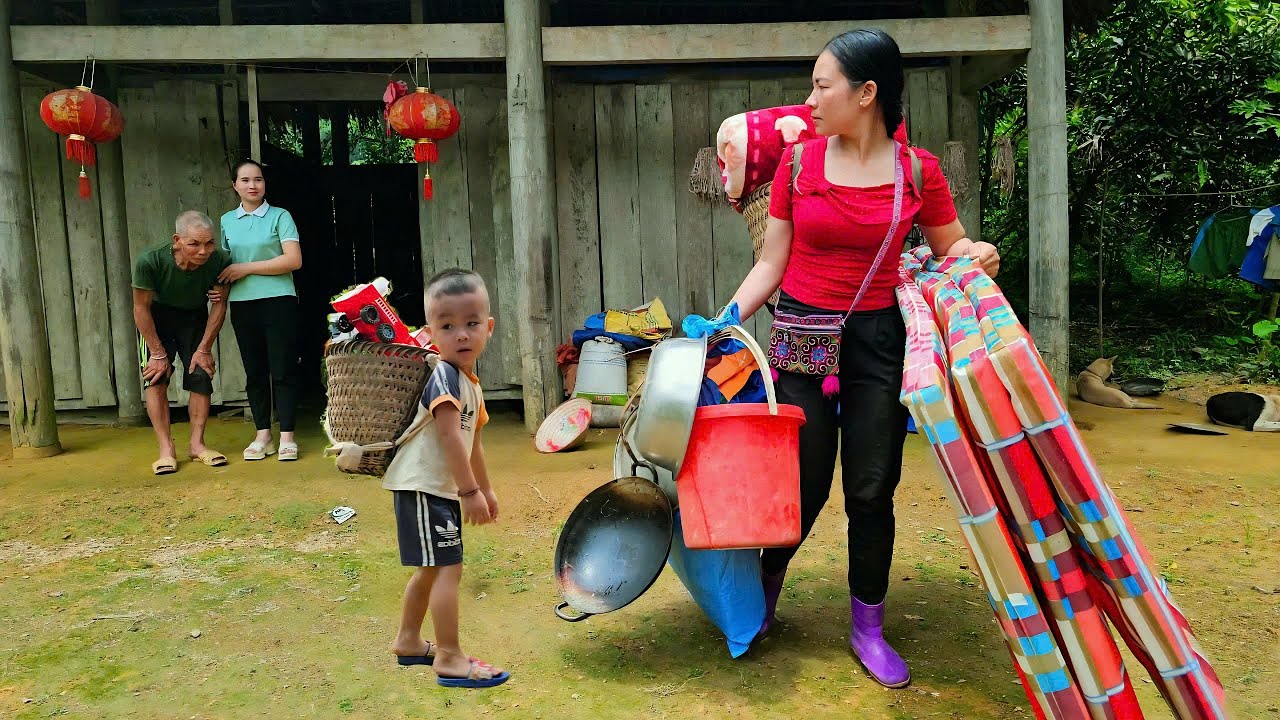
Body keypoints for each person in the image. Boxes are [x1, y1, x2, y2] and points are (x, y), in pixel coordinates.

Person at [724, 29, 1001, 688]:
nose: (811, 99)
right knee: (802, 486)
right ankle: (762, 599)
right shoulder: (797, 166)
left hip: (879, 344)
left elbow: (950, 245)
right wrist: (727, 318)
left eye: (823, 85)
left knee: (872, 489)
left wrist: (981, 253)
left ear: (867, 92)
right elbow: (772, 260)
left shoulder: (916, 171)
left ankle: (867, 627)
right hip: (801, 341)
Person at [382, 269, 508, 689]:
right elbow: (449, 434)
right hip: (422, 488)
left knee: (433, 570)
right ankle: (450, 657)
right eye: (447, 326)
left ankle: (408, 641)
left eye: (471, 323)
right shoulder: (444, 376)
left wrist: (484, 489)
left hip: (437, 490)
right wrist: (469, 491)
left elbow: (474, 443)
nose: (461, 335)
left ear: (488, 327)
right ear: (430, 332)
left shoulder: (470, 382)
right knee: (448, 570)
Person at [132, 210, 233, 476]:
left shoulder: (219, 259)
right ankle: (166, 450)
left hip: (194, 317)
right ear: (177, 240)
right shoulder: (150, 261)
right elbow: (140, 308)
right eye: (194, 244)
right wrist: (156, 352)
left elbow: (220, 306)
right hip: (156, 318)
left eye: (209, 243)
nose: (203, 251)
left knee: (201, 375)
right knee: (156, 378)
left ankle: (197, 446)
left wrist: (204, 348)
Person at [217, 159, 304, 462]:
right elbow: (225, 267)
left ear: (265, 184)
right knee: (255, 373)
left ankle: (288, 437)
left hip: (279, 300)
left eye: (258, 179)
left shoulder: (280, 216)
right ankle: (262, 435)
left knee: (282, 370)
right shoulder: (227, 220)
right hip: (242, 304)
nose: (252, 185)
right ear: (235, 185)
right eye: (245, 180)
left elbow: (293, 260)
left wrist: (246, 268)